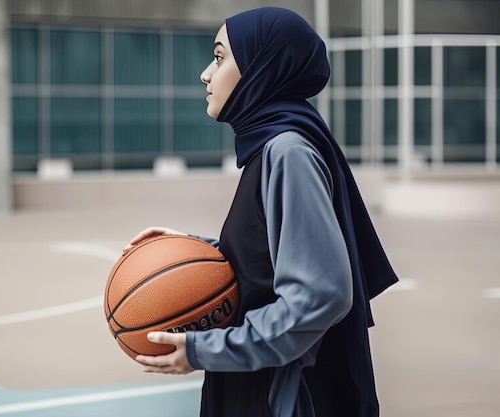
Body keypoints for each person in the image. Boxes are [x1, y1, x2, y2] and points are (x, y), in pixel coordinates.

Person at [127, 7, 398, 417]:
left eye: (219, 58)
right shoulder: (276, 144)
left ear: (260, 67)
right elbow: (271, 255)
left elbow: (320, 295)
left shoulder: (288, 151)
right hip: (264, 384)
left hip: (282, 394)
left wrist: (208, 349)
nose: (206, 73)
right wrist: (189, 250)